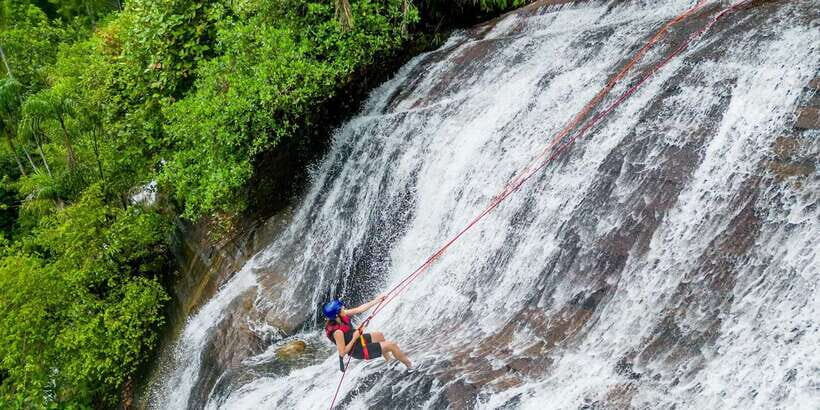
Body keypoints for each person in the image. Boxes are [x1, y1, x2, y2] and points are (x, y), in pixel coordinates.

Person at [323, 296, 412, 372]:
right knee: (392, 345)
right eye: (340, 309)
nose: (343, 308)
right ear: (336, 315)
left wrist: (377, 301)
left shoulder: (342, 315)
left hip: (357, 340)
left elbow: (359, 309)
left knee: (379, 335)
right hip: (357, 350)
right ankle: (410, 366)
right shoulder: (337, 332)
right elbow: (342, 353)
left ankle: (389, 360)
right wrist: (354, 337)